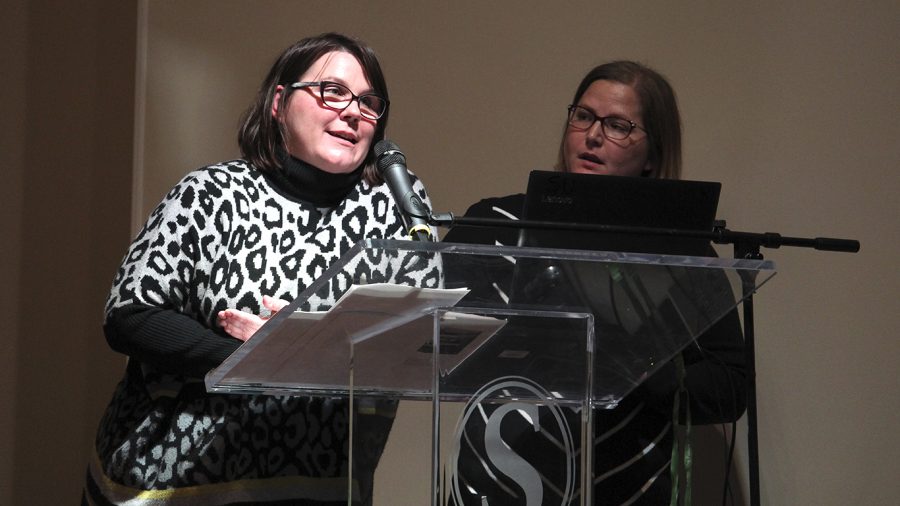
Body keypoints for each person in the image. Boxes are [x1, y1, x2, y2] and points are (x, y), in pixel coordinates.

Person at [83, 32, 440, 506]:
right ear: (278, 103)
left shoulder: (396, 210)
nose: (353, 112)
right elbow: (130, 315)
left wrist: (305, 353)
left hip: (322, 489)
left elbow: (421, 341)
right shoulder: (211, 194)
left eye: (370, 102)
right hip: (169, 485)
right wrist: (252, 361)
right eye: (332, 91)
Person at [442, 61, 746, 505]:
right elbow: (438, 344)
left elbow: (729, 388)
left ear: (653, 156)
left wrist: (634, 366)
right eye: (582, 116)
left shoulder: (682, 256)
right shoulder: (493, 225)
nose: (593, 135)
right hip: (497, 476)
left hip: (626, 483)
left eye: (619, 125)